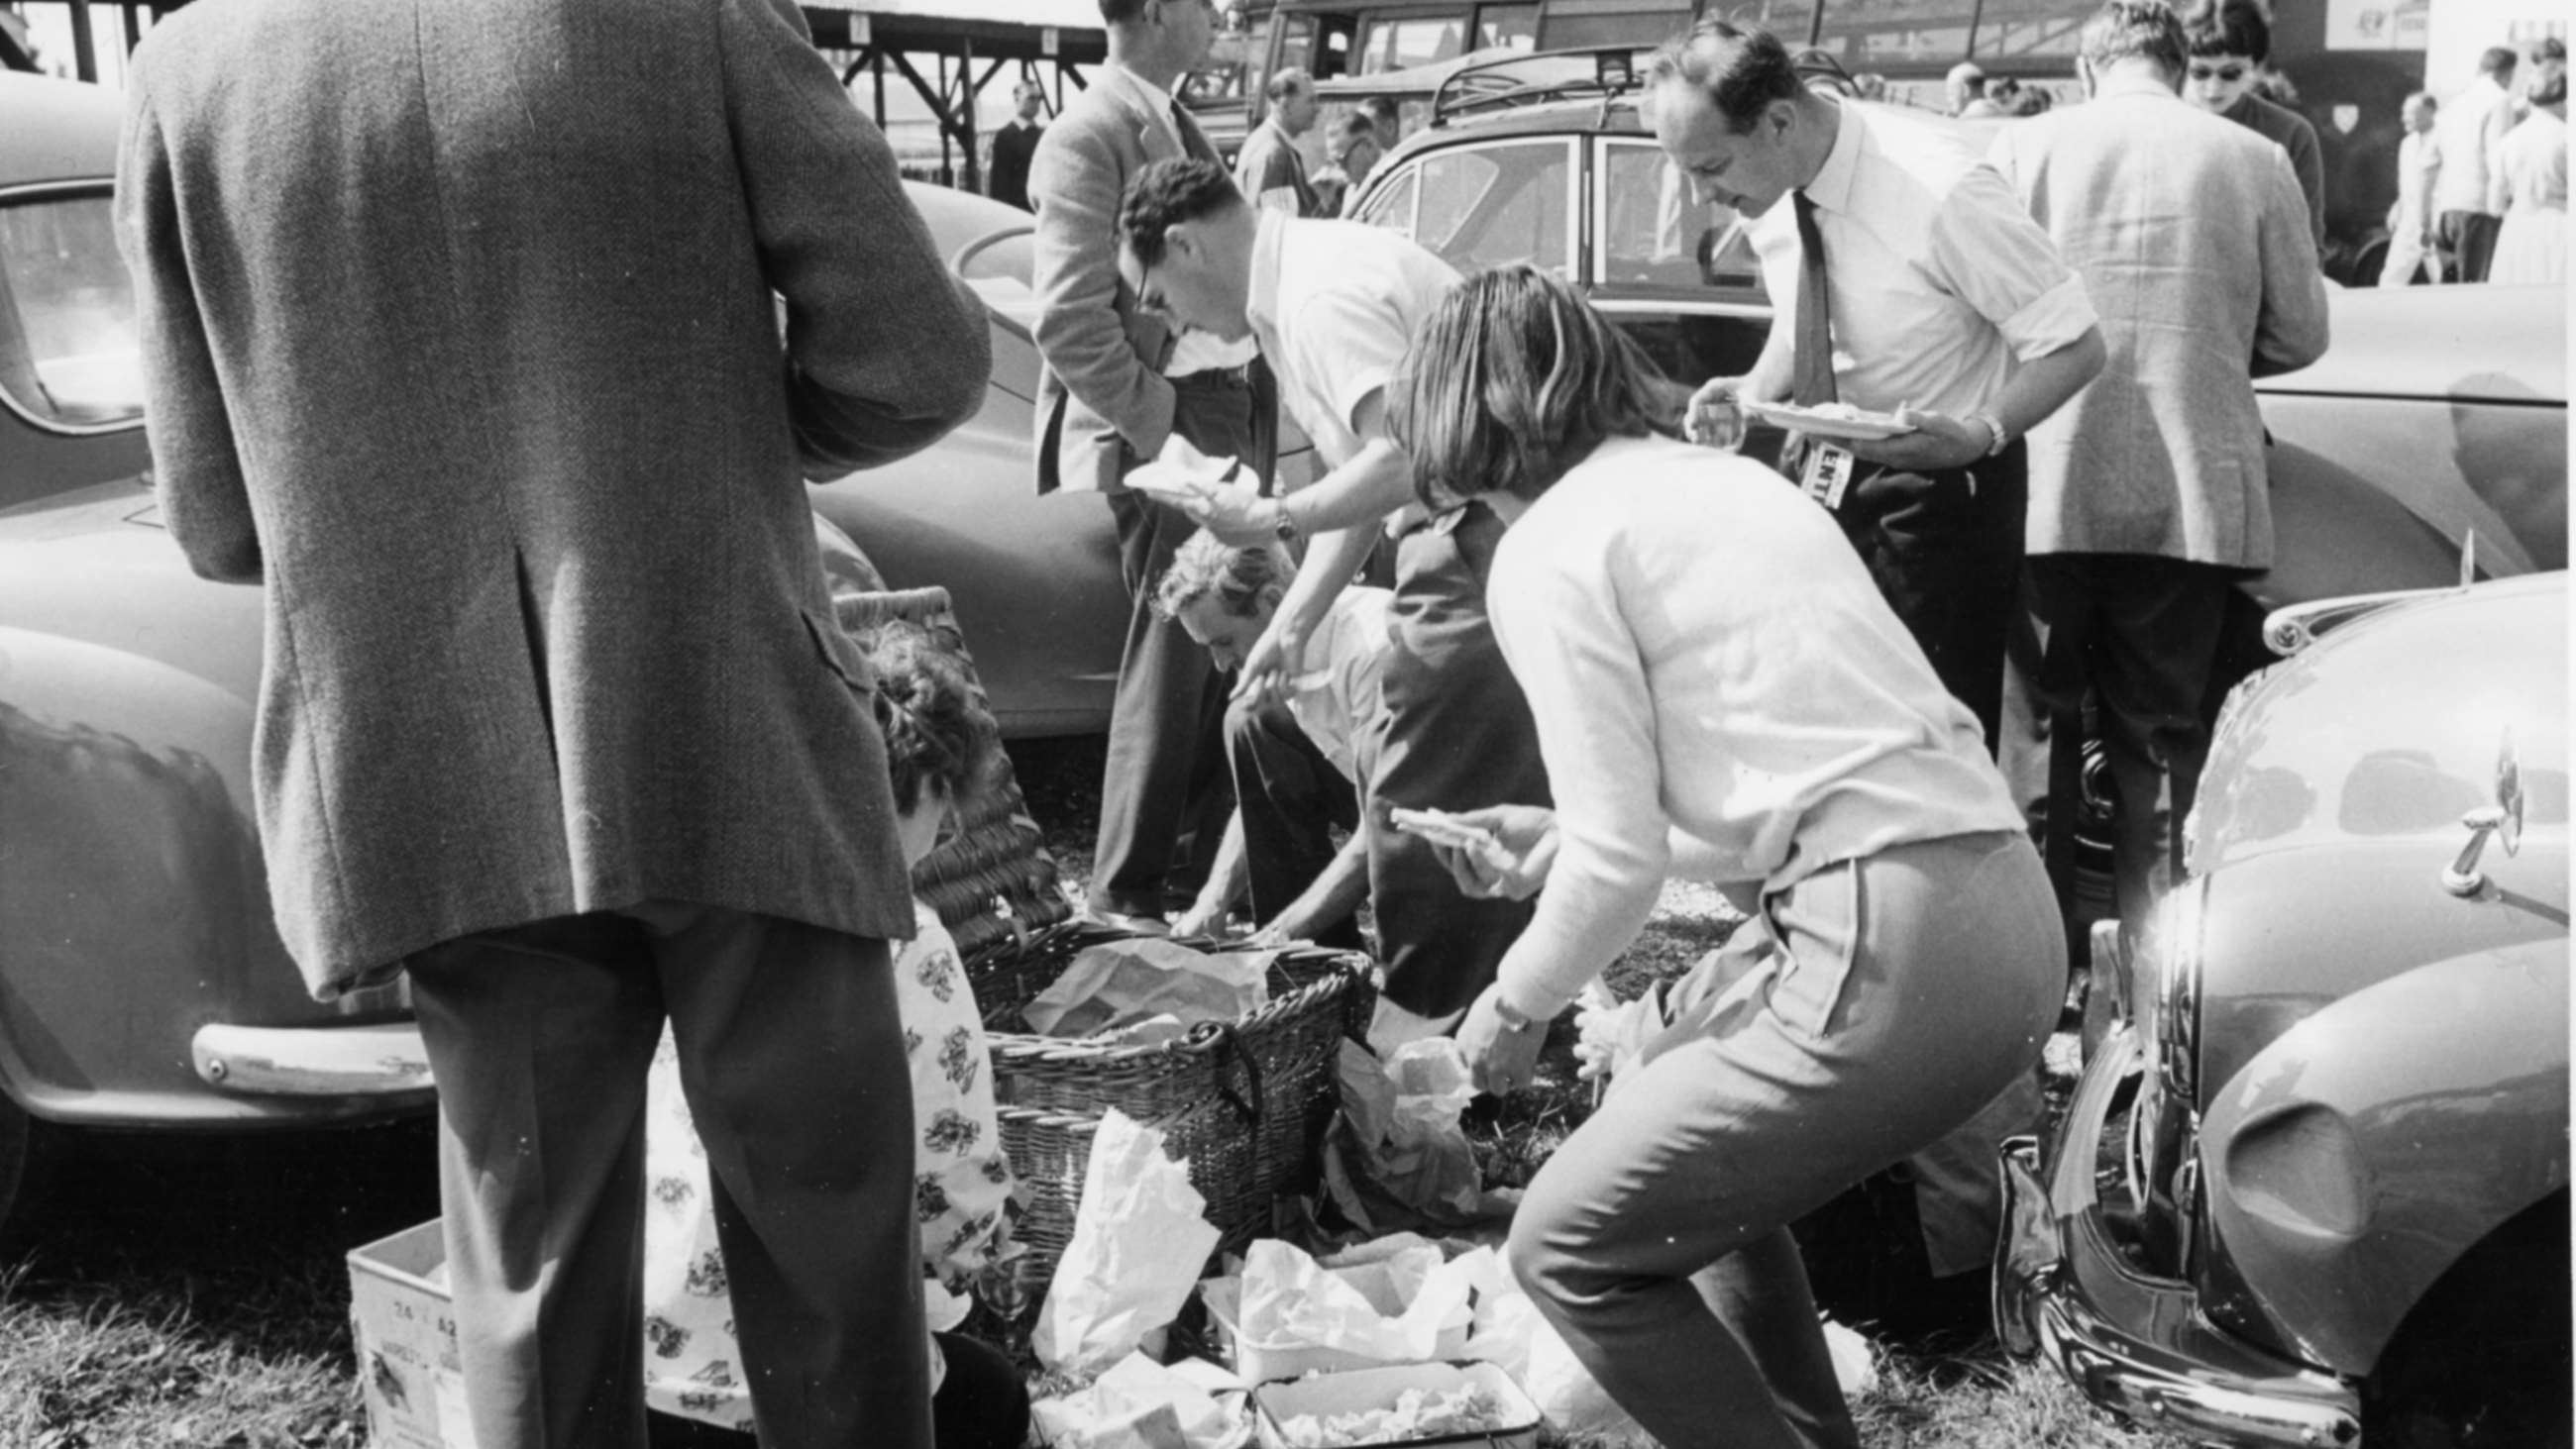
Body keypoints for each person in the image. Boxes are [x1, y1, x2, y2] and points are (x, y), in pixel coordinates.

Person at [112, 0, 992, 1445]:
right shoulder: (684, 16)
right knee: (831, 1248)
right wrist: (729, 455)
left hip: (430, 759)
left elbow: (215, 519)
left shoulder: (187, 68)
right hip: (724, 720)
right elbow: (921, 358)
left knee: (529, 1278)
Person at [1398, 263, 2063, 1449]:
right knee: (1664, 1073)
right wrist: (1553, 837)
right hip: (2002, 909)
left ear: (1467, 432)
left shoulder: (1547, 545)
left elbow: (1620, 868)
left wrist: (1513, 1004)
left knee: (1567, 1245)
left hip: (1885, 933)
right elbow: (1771, 777)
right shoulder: (1723, 483)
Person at [1113, 156, 1553, 1051]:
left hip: (1483, 535)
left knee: (1425, 814)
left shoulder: (1313, 299)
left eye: (1157, 299)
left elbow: (1402, 459)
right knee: (1446, 801)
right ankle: (1463, 1019)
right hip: (1467, 530)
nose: (1170, 325)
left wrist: (1269, 515)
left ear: (1185, 244)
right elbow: (1366, 487)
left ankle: (1416, 1065)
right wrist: (1290, 625)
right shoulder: (1299, 290)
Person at [1656, 18, 2106, 756]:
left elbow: (2077, 343)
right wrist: (1749, 389)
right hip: (1825, 478)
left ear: (1777, 121)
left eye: (1709, 167)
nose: (1703, 195)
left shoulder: (1939, 187)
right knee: (1823, 722)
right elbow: (1811, 314)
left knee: (1927, 740)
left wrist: (1980, 432)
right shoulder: (1770, 189)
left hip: (1942, 493)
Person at [642, 615, 1030, 1449]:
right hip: (787, 1397)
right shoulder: (909, 941)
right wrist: (977, 1248)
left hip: (646, 1360)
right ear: (924, 786)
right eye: (946, 809)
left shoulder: (710, 900)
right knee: (991, 1394)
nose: (946, 835)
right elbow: (952, 1190)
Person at [1988, 0, 2328, 944]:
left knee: (2037, 743)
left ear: (2089, 68)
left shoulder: (2024, 150)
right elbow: (2303, 332)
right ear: (2180, 70)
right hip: (2194, 491)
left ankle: (2031, 981)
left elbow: (1976, 312)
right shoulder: (2253, 156)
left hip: (2046, 480)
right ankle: (2154, 996)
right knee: (2168, 745)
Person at [1029, 0, 1280, 937]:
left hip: (1224, 407)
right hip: (1175, 422)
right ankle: (1125, 891)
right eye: (1207, 5)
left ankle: (1199, 881)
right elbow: (1067, 318)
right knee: (1178, 649)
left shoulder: (1170, 120)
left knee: (1222, 640)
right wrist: (1163, 425)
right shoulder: (1089, 132)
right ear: (1162, 9)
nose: (1220, 18)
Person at [1159, 533, 1390, 949]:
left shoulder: (1371, 649)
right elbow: (1262, 793)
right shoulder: (1286, 654)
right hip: (1382, 800)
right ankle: (1316, 963)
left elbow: (1389, 823)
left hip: (1457, 822)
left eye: (1225, 641)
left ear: (1271, 600)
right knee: (1249, 719)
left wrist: (1280, 935)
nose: (1220, 663)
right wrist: (1213, 901)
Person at [2180, 0, 2326, 252]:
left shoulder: (2291, 134)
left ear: (2255, 66)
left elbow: (2307, 244)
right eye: (2200, 73)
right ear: (2181, 66)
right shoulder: (2155, 126)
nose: (2214, 88)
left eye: (2231, 73)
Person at [2432, 45, 2519, 282]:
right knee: (2476, 288)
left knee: (2453, 287)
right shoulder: (2499, 100)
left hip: (2449, 205)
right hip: (2479, 206)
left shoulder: (2457, 101)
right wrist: (2500, 205)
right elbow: (2497, 155)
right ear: (2506, 72)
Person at [2488, 44, 2567, 284]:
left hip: (2517, 232)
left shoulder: (2508, 141)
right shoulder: (2565, 137)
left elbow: (2494, 205)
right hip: (2560, 230)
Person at [1236, 66, 1324, 215]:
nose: (1318, 108)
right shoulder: (1275, 153)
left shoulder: (1266, 141)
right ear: (1286, 106)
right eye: (1310, 101)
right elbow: (1270, 222)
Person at [2382, 91, 2445, 285]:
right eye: (2404, 113)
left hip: (2434, 220)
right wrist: (2398, 206)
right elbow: (2407, 182)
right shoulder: (2407, 144)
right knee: (2391, 277)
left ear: (2430, 111)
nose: (2404, 118)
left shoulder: (2444, 139)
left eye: (2410, 113)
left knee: (2442, 275)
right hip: (2409, 221)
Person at [987, 79, 1048, 212]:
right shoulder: (1006, 136)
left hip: (1039, 209)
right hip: (1017, 210)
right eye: (1031, 98)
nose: (1036, 102)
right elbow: (999, 183)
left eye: (1039, 98)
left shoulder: (1041, 135)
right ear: (1016, 99)